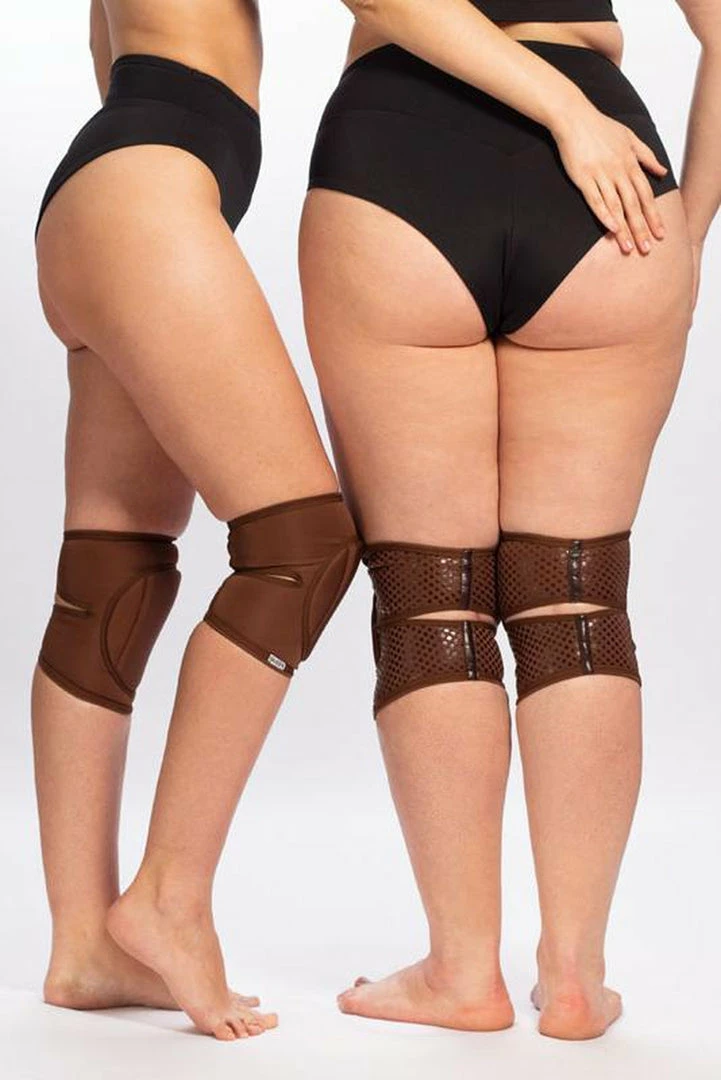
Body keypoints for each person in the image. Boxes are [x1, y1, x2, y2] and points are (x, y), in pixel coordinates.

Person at [300, 0, 720, 1041]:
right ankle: (573, 977)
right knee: (576, 595)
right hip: (611, 189)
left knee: (427, 600)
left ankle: (460, 971)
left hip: (400, 151)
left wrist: (563, 117)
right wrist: (688, 225)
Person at [33, 0, 359, 1041]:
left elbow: (105, 42)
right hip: (148, 187)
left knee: (110, 577)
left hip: (106, 183)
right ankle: (169, 896)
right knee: (302, 546)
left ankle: (85, 950)